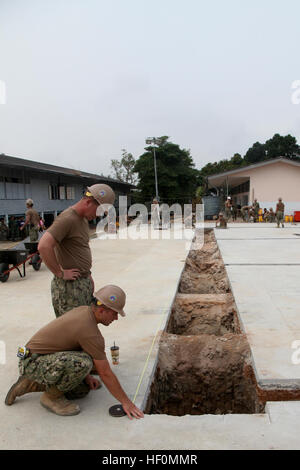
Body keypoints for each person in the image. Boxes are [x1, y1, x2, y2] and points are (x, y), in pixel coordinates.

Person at [5, 285, 144, 420]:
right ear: (102, 310)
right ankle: (50, 397)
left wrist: (86, 377)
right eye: (114, 313)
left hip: (35, 356)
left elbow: (76, 346)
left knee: (82, 389)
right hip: (31, 361)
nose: (116, 318)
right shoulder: (89, 331)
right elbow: (105, 373)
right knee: (84, 364)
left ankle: (31, 383)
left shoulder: (84, 311)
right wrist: (127, 403)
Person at [38, 184, 115, 318]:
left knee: (83, 326)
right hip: (70, 288)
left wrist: (87, 275)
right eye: (99, 211)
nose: (99, 215)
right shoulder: (68, 218)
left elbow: (78, 248)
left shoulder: (82, 219)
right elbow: (44, 246)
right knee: (72, 330)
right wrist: (59, 272)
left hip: (81, 283)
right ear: (88, 202)